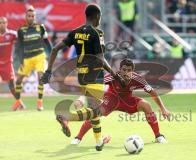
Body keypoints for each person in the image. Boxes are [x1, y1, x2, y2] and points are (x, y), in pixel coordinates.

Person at [40, 4, 124, 151]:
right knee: (97, 110)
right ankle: (68, 117)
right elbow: (100, 59)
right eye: (100, 16)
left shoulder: (75, 32)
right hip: (95, 75)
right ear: (97, 16)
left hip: (82, 75)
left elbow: (54, 49)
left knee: (93, 109)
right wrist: (115, 75)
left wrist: (48, 71)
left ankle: (98, 143)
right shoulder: (97, 33)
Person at [68, 59, 171, 144]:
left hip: (127, 100)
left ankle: (158, 136)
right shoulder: (112, 76)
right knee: (95, 113)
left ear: (133, 71)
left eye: (129, 70)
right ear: (120, 70)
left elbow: (153, 92)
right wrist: (80, 99)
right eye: (124, 70)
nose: (126, 72)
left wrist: (163, 109)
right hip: (112, 100)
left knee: (146, 105)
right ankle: (78, 138)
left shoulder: (138, 79)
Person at [12, 6, 52, 111]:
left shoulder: (41, 28)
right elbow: (19, 46)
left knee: (40, 79)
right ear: (26, 17)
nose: (31, 18)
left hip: (39, 56)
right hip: (27, 59)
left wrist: (52, 54)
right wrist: (21, 60)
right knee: (18, 81)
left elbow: (47, 42)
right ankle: (18, 102)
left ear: (35, 17)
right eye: (29, 16)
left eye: (33, 16)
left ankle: (39, 103)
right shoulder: (21, 30)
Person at [0, 17, 19, 109]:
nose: (2, 24)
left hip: (7, 64)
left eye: (3, 23)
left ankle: (19, 103)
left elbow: (21, 41)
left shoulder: (12, 34)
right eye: (0, 23)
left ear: (7, 23)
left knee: (12, 87)